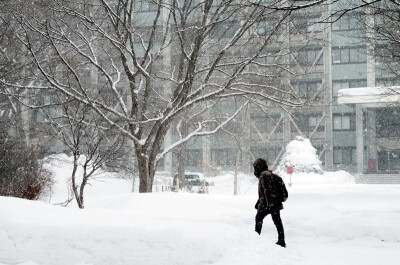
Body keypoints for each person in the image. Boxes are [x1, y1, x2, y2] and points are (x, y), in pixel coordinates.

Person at [253, 158, 288, 247]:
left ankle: (255, 239)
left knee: (258, 219)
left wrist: (268, 204)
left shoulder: (264, 175)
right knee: (277, 222)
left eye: (255, 168)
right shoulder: (270, 175)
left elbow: (266, 191)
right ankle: (281, 240)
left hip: (267, 204)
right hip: (274, 203)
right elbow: (265, 192)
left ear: (258, 168)